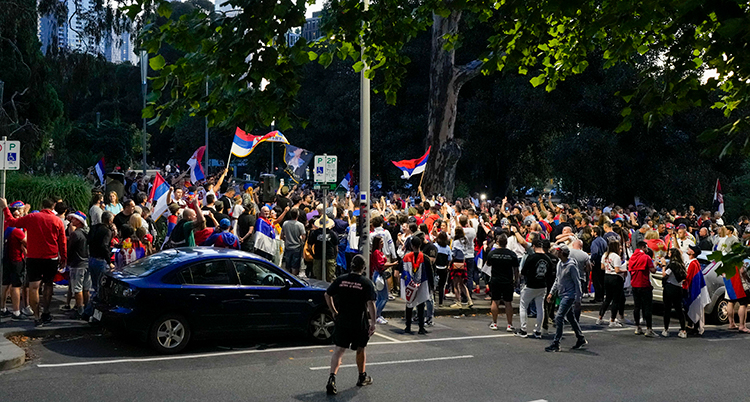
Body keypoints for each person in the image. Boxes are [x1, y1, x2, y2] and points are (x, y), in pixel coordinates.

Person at [0, 197, 67, 327]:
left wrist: (5, 208)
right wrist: (64, 258)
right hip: (51, 257)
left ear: (42, 206)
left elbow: (12, 222)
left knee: (33, 287)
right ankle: (46, 312)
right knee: (48, 285)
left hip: (33, 257)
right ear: (53, 207)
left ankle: (36, 316)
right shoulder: (57, 221)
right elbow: (62, 242)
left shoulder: (32, 217)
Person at [324, 254, 376, 395]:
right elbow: (371, 303)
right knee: (360, 349)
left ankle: (332, 378)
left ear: (351, 265)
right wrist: (373, 322)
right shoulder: (366, 283)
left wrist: (334, 311)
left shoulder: (341, 280)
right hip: (359, 321)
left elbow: (327, 294)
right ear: (363, 267)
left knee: (339, 350)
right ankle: (362, 376)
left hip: (342, 320)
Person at [545, 245, 587, 352]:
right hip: (562, 293)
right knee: (571, 317)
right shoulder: (560, 264)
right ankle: (580, 337)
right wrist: (551, 292)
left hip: (569, 295)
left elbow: (577, 282)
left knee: (559, 317)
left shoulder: (571, 266)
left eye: (559, 252)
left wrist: (578, 298)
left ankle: (556, 342)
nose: (557, 253)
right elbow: (557, 279)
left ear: (563, 253)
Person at [516, 237, 553, 338]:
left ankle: (523, 329)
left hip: (531, 285)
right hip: (542, 285)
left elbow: (523, 272)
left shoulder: (531, 257)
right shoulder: (547, 259)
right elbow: (550, 274)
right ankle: (538, 330)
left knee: (523, 305)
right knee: (540, 307)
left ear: (533, 246)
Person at [486, 234, 519, 332]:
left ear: (497, 242)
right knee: (508, 302)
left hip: (495, 279)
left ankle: (494, 323)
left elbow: (488, 264)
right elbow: (516, 269)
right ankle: (509, 324)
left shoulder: (492, 254)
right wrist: (516, 280)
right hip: (507, 280)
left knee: (495, 301)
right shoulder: (512, 254)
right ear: (506, 243)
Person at [0, 205, 27, 320]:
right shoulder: (17, 231)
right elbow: (27, 243)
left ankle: (2, 308)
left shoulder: (5, 226)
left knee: (4, 284)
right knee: (16, 286)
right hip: (16, 260)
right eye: (19, 213)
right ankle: (16, 311)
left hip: (6, 259)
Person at [401, 236, 430, 334]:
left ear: (412, 245)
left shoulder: (406, 257)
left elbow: (401, 270)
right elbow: (430, 272)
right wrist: (431, 286)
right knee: (421, 305)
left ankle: (408, 326)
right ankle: (421, 327)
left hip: (409, 284)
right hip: (421, 284)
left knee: (409, 305)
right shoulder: (425, 258)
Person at [628, 241, 657, 337]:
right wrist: (655, 264)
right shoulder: (646, 257)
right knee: (647, 307)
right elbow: (653, 271)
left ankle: (637, 327)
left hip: (635, 284)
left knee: (637, 307)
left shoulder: (632, 257)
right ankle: (649, 329)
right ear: (643, 247)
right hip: (644, 284)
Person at [66, 211, 91, 319]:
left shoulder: (76, 234)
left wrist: (67, 261)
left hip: (77, 264)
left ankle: (80, 310)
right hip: (87, 262)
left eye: (74, 219)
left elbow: (70, 249)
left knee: (77, 288)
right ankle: (87, 308)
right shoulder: (88, 232)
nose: (72, 221)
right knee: (86, 288)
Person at [596, 240, 626, 327]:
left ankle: (600, 318)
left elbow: (602, 267)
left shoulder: (605, 255)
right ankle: (612, 320)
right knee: (616, 300)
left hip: (606, 276)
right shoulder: (616, 256)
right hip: (615, 278)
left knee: (607, 299)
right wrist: (624, 270)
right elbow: (617, 270)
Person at [371, 236, 397, 324]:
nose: (382, 243)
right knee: (384, 297)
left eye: (382, 241)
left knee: (380, 297)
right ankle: (377, 315)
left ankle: (377, 314)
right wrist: (392, 264)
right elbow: (381, 265)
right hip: (379, 274)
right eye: (380, 242)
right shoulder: (376, 253)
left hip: (380, 274)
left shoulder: (379, 252)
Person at [662, 248, 688, 338]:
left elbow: (665, 275)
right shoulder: (681, 264)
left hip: (670, 287)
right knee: (679, 309)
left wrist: (663, 265)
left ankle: (666, 329)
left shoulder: (672, 265)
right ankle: (683, 330)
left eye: (669, 253)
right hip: (679, 288)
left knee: (667, 309)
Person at [310, 217, 338, 282]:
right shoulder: (333, 234)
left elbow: (309, 246)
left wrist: (313, 254)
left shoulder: (314, 233)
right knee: (331, 278)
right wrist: (334, 257)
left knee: (317, 279)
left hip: (318, 257)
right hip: (330, 257)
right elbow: (336, 248)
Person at [280, 208, 306, 275]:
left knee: (287, 266)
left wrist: (286, 239)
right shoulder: (300, 225)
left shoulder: (285, 223)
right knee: (295, 266)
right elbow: (303, 236)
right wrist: (301, 241)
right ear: (298, 215)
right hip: (297, 247)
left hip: (288, 246)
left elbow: (282, 236)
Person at [434, 231, 452, 306]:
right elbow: (450, 259)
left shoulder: (435, 246)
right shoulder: (448, 248)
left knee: (434, 285)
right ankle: (441, 302)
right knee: (442, 286)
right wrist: (448, 266)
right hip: (444, 268)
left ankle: (434, 300)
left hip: (436, 267)